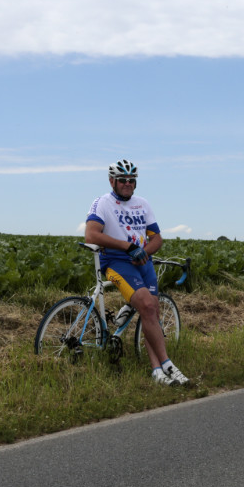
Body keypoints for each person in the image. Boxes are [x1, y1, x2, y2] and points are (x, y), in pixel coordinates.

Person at [84, 159, 190, 387]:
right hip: (116, 261)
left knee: (150, 312)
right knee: (148, 306)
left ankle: (156, 370)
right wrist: (128, 247)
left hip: (142, 262)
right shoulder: (102, 203)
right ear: (112, 181)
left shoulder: (142, 204)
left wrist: (143, 252)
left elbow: (157, 239)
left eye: (131, 180)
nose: (127, 184)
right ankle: (168, 364)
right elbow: (91, 236)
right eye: (122, 180)